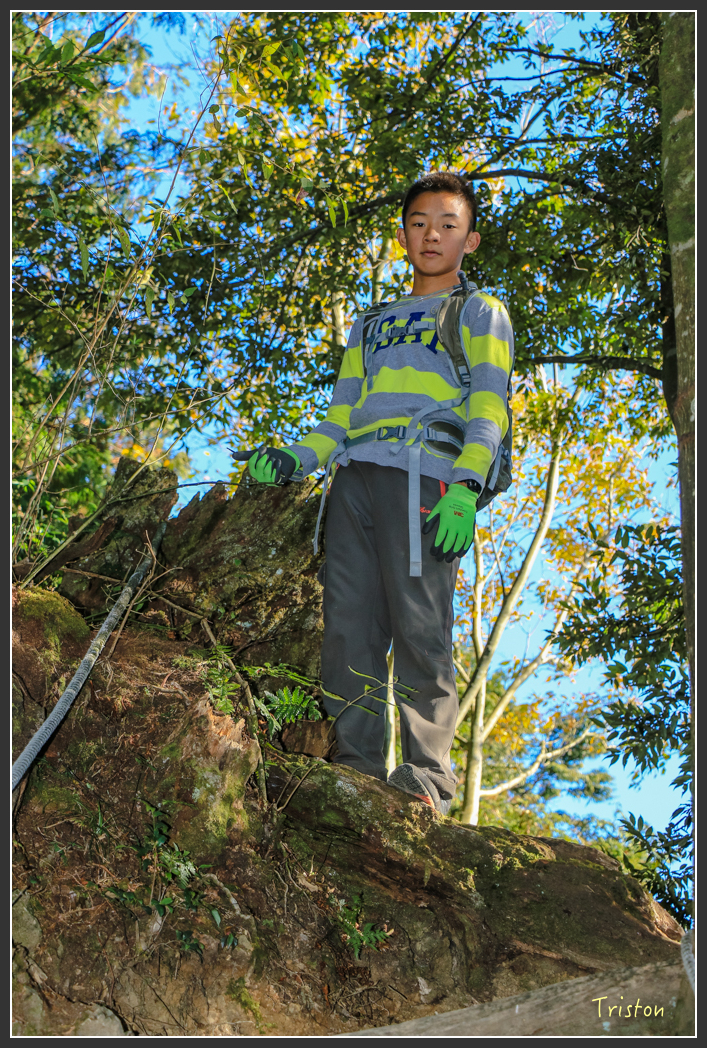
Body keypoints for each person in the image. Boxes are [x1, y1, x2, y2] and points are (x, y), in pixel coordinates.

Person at [247, 171, 514, 815]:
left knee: (420, 627)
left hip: (426, 479)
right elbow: (337, 420)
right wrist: (294, 458)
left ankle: (427, 779)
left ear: (470, 240)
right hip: (354, 481)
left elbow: (489, 407)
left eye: (448, 225)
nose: (433, 234)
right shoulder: (371, 323)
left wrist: (465, 487)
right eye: (420, 222)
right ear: (403, 235)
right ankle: (358, 768)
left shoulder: (478, 311)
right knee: (348, 630)